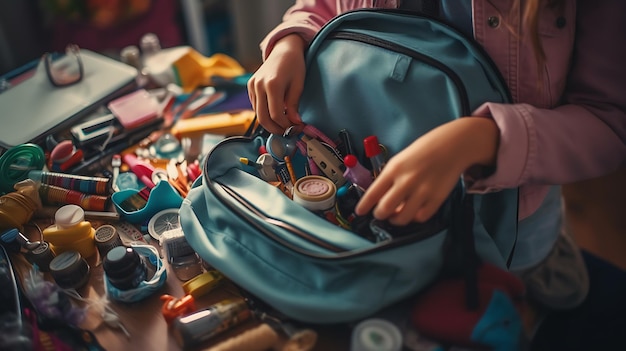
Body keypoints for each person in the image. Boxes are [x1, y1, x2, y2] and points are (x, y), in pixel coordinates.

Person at [247, 0, 626, 315]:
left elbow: (609, 122)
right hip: (357, 241)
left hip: (506, 251)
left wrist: (481, 138)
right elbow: (321, 6)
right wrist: (290, 41)